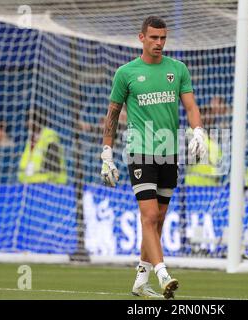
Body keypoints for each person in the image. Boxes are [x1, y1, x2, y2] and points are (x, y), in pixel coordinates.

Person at [100, 16, 207, 299]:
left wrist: (198, 131)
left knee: (158, 218)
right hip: (139, 150)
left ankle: (140, 279)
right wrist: (107, 153)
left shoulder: (178, 69)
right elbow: (112, 114)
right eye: (153, 38)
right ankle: (163, 274)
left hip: (169, 152)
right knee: (148, 215)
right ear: (141, 38)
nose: (159, 43)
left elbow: (191, 105)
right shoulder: (126, 73)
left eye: (162, 38)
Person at [18, 107, 67, 184]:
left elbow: (53, 168)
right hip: (29, 184)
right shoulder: (29, 139)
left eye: (30, 119)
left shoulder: (49, 136)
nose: (27, 123)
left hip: (50, 186)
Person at [185, 96, 226, 186]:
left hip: (212, 186)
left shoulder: (214, 139)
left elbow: (219, 163)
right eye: (204, 116)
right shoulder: (190, 133)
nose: (207, 119)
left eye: (209, 116)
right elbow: (186, 158)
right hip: (193, 185)